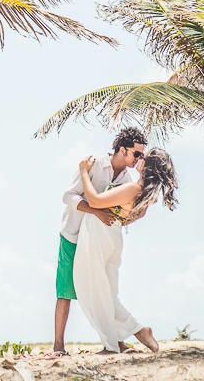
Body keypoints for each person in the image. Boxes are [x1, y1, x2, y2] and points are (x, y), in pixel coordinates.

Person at [73, 146, 177, 355]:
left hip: (99, 233)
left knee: (91, 289)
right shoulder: (144, 193)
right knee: (108, 294)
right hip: (113, 234)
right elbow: (130, 217)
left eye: (142, 157)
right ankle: (139, 331)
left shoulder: (133, 188)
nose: (138, 158)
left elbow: (94, 201)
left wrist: (84, 172)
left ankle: (111, 345)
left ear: (148, 166)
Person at [53, 127, 148, 356]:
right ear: (122, 150)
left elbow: (125, 214)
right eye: (136, 154)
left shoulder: (127, 179)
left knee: (103, 291)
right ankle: (58, 346)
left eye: (141, 156)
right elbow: (68, 196)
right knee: (65, 291)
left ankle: (115, 342)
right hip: (73, 235)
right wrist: (95, 212)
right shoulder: (93, 164)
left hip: (97, 241)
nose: (139, 159)